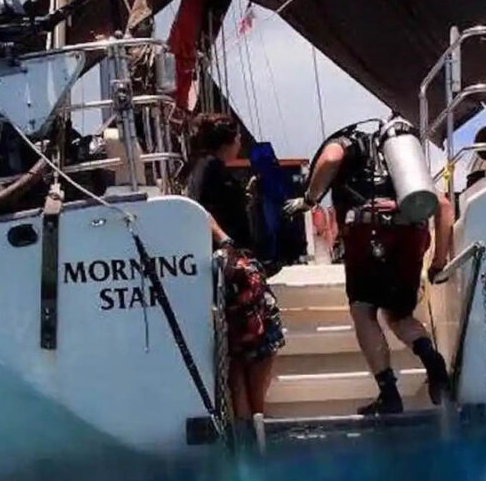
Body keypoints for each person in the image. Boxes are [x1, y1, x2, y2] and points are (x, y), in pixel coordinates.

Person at [284, 118, 455, 415]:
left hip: (369, 232)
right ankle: (432, 360)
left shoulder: (350, 143)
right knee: (399, 315)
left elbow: (330, 159)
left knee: (364, 310)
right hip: (411, 235)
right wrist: (439, 261)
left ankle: (389, 394)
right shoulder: (406, 167)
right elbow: (443, 206)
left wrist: (309, 199)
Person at [185, 113, 285, 420]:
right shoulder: (209, 168)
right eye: (239, 138)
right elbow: (198, 210)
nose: (241, 142)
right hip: (235, 267)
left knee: (241, 351)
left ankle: (248, 419)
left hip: (232, 263)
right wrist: (225, 240)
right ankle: (255, 413)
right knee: (265, 338)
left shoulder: (206, 168)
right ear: (228, 141)